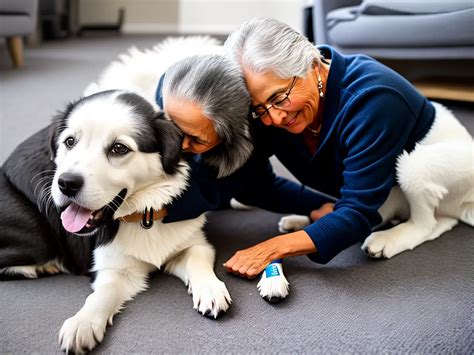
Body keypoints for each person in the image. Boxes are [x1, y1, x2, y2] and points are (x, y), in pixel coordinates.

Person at [164, 17, 467, 279]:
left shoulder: (374, 99)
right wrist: (148, 209)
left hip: (446, 170)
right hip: (387, 186)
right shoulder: (269, 108)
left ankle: (424, 226)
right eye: (259, 108)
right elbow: (246, 179)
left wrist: (275, 247)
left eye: (279, 98)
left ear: (311, 64)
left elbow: (359, 211)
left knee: (416, 171)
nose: (274, 118)